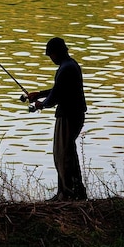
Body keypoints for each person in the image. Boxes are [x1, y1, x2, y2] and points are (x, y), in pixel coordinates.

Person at [25, 37, 88, 201]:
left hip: (68, 116)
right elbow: (57, 90)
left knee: (63, 155)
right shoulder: (69, 65)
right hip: (72, 114)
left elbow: (55, 97)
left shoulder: (66, 68)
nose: (51, 58)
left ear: (57, 53)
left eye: (51, 55)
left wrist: (41, 105)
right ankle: (71, 191)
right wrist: (39, 94)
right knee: (66, 153)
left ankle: (68, 194)